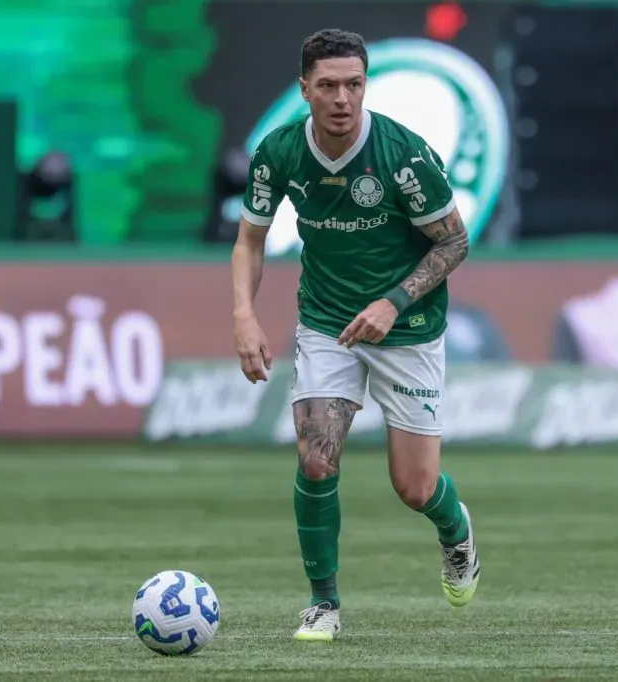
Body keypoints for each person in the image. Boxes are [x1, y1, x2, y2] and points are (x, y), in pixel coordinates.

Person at [230, 28, 480, 642]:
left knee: (414, 488)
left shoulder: (403, 154)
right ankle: (324, 604)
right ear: (304, 89)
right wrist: (243, 315)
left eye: (354, 84)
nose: (342, 98)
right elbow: (250, 240)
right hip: (326, 322)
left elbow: (454, 240)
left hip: (409, 326)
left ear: (365, 85)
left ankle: (456, 534)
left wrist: (393, 303)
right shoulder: (279, 152)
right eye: (328, 86)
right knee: (316, 462)